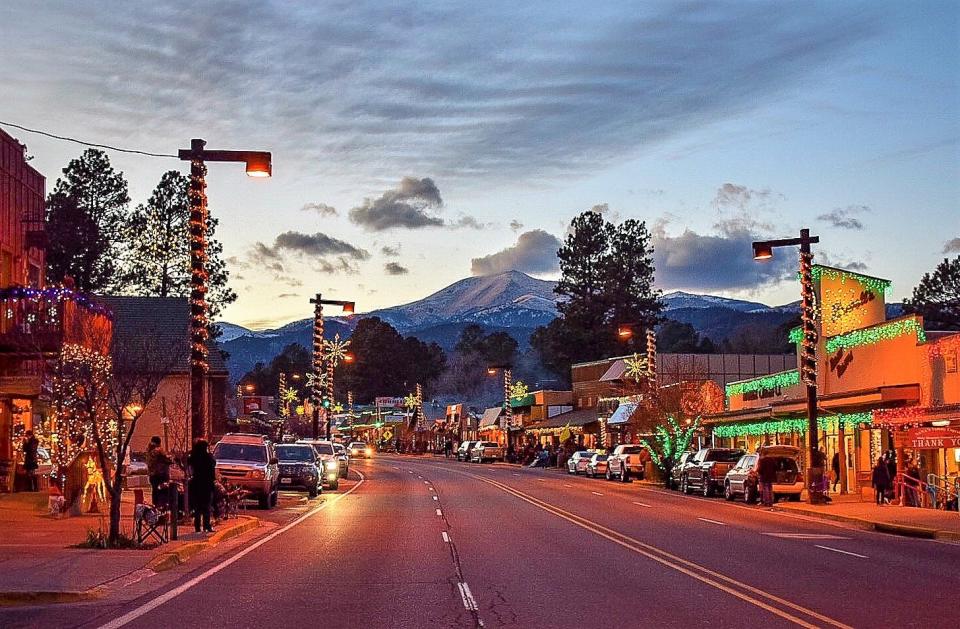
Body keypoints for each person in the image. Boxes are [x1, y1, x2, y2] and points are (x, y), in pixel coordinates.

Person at [188, 439, 217, 533]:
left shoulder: (193, 457)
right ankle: (206, 525)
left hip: (196, 482)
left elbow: (189, 466)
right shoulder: (208, 457)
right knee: (206, 505)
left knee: (197, 506)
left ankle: (197, 527)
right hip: (207, 483)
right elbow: (213, 466)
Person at [145, 436, 173, 507]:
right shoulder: (159, 451)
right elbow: (168, 460)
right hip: (161, 474)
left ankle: (155, 505)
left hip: (152, 475)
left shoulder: (149, 451)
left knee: (154, 490)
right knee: (163, 491)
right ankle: (162, 507)